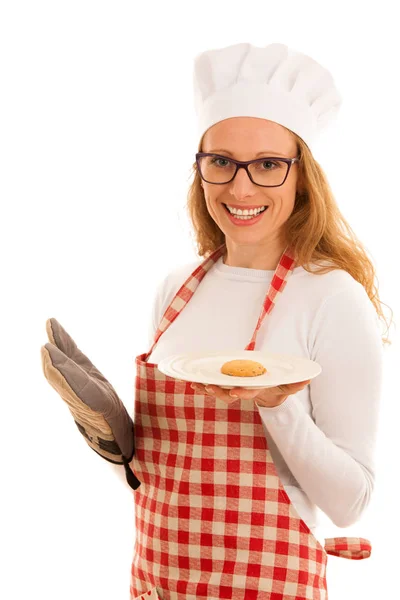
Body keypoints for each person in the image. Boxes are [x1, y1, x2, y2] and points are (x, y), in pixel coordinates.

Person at [41, 42, 392, 600]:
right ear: (200, 168)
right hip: (157, 578)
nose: (241, 187)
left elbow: (352, 503)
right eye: (222, 161)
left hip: (267, 586)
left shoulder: (330, 297)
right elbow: (161, 478)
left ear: (303, 177)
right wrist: (111, 436)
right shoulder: (176, 289)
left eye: (269, 165)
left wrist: (279, 408)